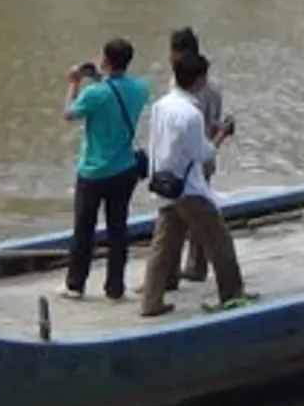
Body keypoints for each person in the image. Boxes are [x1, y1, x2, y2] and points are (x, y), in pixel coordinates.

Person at [140, 51, 246, 316]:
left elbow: (154, 143)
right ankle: (232, 296)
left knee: (162, 246)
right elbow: (203, 154)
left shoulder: (161, 105)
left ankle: (151, 302)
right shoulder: (191, 114)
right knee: (219, 241)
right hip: (189, 189)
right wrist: (221, 134)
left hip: (165, 183)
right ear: (198, 80)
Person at [60, 38, 151, 301]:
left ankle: (75, 285)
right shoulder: (140, 89)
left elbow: (69, 113)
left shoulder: (94, 93)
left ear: (105, 60)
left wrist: (74, 83)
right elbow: (117, 91)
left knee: (84, 230)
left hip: (93, 171)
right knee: (118, 229)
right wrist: (100, 77)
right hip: (125, 169)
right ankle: (115, 287)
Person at [168, 27, 235, 282]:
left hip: (185, 161)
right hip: (204, 159)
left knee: (175, 219)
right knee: (197, 217)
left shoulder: (179, 86)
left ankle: (170, 273)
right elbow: (215, 121)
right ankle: (196, 267)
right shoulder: (213, 87)